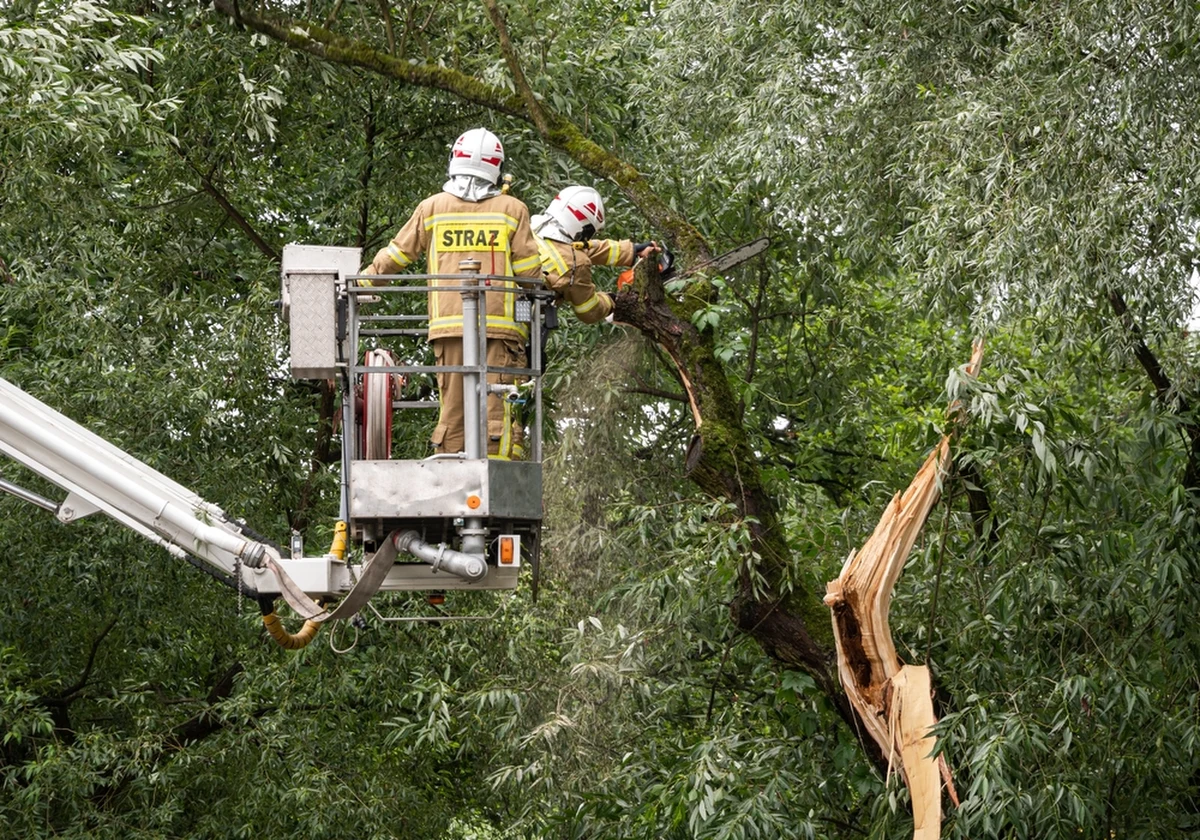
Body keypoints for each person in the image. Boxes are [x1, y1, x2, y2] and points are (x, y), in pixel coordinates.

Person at [361, 128, 542, 459]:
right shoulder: (512, 209)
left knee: (454, 412)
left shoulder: (433, 208)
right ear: (498, 167)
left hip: (448, 329)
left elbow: (397, 255)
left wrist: (363, 282)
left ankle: (454, 477)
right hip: (498, 331)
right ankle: (495, 482)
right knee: (496, 412)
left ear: (454, 161)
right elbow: (530, 275)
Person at [531, 186, 661, 324]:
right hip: (519, 329)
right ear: (583, 228)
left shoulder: (532, 229)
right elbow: (588, 311)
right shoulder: (574, 264)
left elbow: (580, 249)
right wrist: (611, 300)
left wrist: (632, 250)